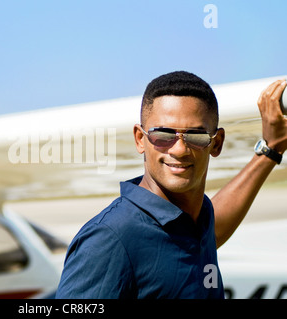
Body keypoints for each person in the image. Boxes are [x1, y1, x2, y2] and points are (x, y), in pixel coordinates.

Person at [55, 71, 287, 299]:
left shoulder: (197, 222)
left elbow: (214, 227)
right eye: (163, 135)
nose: (179, 149)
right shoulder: (109, 239)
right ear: (140, 139)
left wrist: (271, 149)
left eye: (196, 136)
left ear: (216, 144)